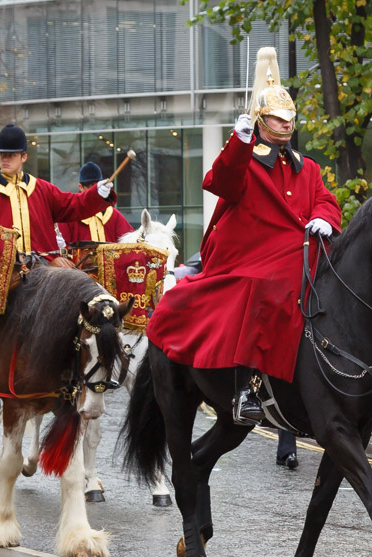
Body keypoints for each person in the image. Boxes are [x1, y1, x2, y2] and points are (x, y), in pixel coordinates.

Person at [145, 47, 342, 426]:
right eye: (278, 119)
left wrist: (324, 219)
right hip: (253, 258)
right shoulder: (245, 160)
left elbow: (325, 200)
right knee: (265, 284)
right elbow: (223, 182)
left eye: (290, 120)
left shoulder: (309, 168)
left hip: (305, 250)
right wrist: (238, 142)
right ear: (261, 120)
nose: (286, 125)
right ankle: (247, 386)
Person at [0, 124, 116, 389]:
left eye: (11, 154)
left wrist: (97, 195)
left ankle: (77, 367)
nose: (5, 159)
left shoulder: (42, 189)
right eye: (2, 154)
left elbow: (74, 205)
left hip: (43, 266)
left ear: (24, 156)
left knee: (79, 300)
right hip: (3, 268)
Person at [57, 161, 133, 245]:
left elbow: (130, 244)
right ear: (80, 187)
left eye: (97, 185)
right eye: (90, 186)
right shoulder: (70, 215)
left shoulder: (113, 215)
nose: (94, 190)